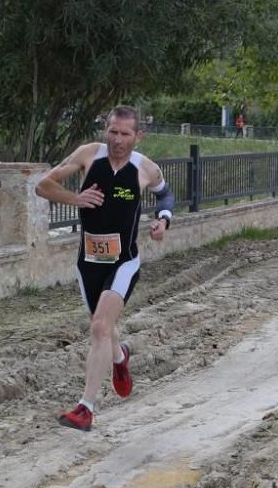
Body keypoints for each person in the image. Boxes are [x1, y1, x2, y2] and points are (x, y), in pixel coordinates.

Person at [35, 105, 174, 431]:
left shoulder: (145, 169)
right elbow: (43, 185)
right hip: (89, 264)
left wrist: (163, 221)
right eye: (113, 132)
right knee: (105, 329)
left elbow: (166, 197)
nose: (118, 140)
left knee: (98, 327)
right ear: (105, 130)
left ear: (138, 136)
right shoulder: (88, 156)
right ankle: (119, 358)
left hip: (124, 261)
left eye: (126, 134)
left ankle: (86, 408)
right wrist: (76, 199)